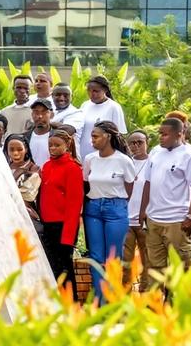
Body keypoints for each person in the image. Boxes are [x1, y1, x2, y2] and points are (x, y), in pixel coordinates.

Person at [139, 118, 191, 281]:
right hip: (154, 220)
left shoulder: (189, 156)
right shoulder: (155, 153)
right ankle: (155, 305)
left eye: (165, 134)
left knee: (181, 268)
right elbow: (148, 182)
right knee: (154, 267)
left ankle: (181, 304)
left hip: (177, 221)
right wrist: (143, 211)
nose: (161, 137)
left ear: (179, 134)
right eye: (160, 133)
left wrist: (190, 216)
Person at [82, 121, 135, 303]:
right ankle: (100, 302)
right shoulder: (90, 159)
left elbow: (129, 188)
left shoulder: (124, 161)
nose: (92, 140)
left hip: (116, 208)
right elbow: (86, 182)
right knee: (96, 257)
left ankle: (113, 301)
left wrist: (115, 203)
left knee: (113, 257)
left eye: (96, 136)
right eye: (92, 136)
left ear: (108, 137)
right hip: (93, 208)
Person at [39, 129, 83, 293]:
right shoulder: (47, 166)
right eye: (50, 145)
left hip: (63, 225)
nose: (52, 148)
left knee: (64, 269)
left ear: (67, 145)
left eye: (57, 145)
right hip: (48, 224)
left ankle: (71, 306)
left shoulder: (73, 168)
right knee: (52, 267)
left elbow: (74, 204)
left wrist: (68, 235)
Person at [123, 130, 150, 291]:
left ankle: (146, 295)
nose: (136, 145)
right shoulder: (126, 163)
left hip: (146, 220)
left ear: (147, 142)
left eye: (140, 142)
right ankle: (124, 296)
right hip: (126, 219)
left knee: (149, 262)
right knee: (125, 262)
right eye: (132, 142)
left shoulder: (154, 162)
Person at [79, 76, 127, 158]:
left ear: (105, 90)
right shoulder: (85, 105)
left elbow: (119, 135)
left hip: (103, 155)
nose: (92, 94)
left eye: (96, 91)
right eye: (89, 91)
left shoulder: (113, 107)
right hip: (83, 152)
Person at [3, 134, 42, 236]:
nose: (16, 153)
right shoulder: (3, 168)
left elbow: (28, 194)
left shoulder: (33, 169)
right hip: (3, 213)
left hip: (24, 214)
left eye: (19, 149)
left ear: (26, 150)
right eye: (11, 150)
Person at [51, 83, 84, 151]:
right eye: (58, 95)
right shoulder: (49, 110)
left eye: (66, 95)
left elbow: (65, 131)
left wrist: (44, 123)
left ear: (72, 97)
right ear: (52, 96)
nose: (61, 98)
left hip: (68, 157)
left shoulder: (76, 113)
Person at [24, 99, 54, 167]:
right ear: (32, 114)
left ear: (51, 115)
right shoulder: (24, 138)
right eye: (36, 112)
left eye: (44, 112)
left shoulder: (58, 137)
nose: (40, 116)